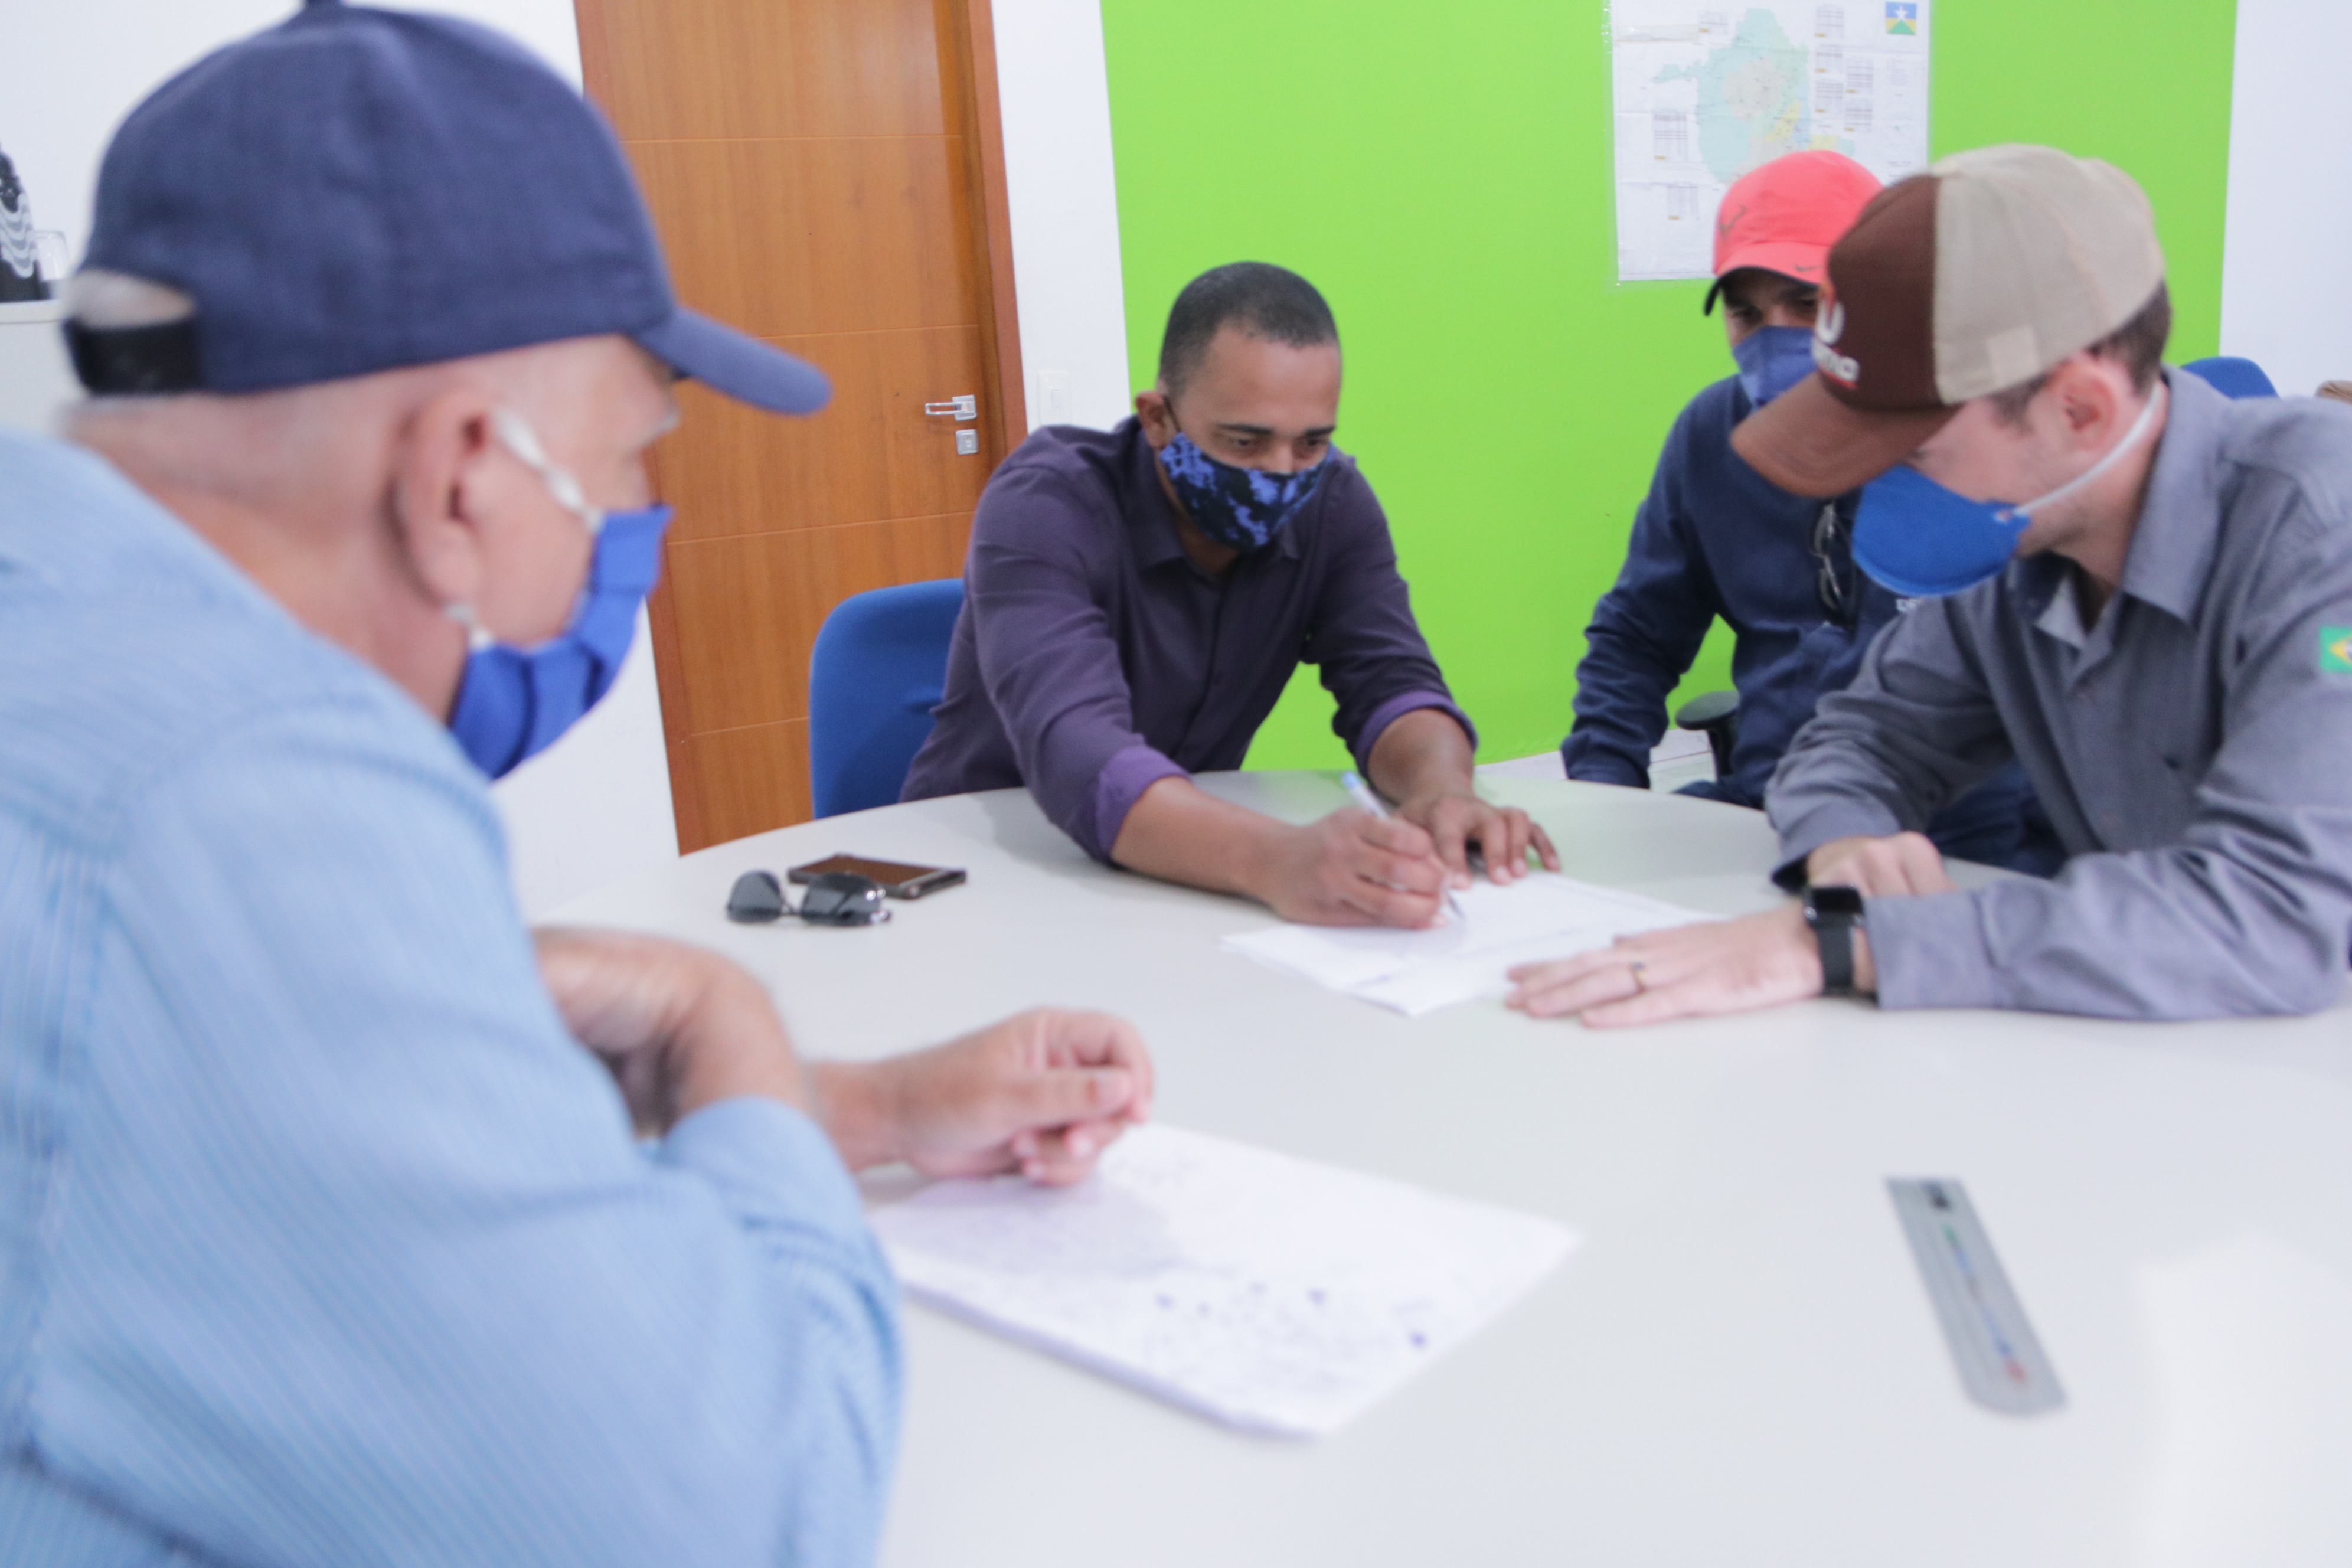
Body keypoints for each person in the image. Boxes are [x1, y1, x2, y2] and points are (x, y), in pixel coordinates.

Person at [0, 6, 1152, 1564]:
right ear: (465, 473)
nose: (630, 531)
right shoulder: (239, 793)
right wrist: (726, 1022)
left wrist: (856, 1107)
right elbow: (736, 1510)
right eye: (626, 467)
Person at [1508, 143, 2352, 1025]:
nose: (1879, 480)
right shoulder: (2020, 545)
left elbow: (2276, 918)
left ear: (2080, 409)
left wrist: (1849, 947)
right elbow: (1860, 739)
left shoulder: (2324, 535)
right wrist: (1847, 843)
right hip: (2154, 1026)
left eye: (1912, 446)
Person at [901, 262, 1558, 927]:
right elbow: (1080, 751)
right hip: (986, 875)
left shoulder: (1333, 502)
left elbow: (1391, 683)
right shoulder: (1045, 505)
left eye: (1312, 442)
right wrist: (1278, 860)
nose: (1280, 473)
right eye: (1245, 442)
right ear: (1158, 418)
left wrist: (1442, 789)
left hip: (1176, 871)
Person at [1562, 150, 2046, 871]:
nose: (1775, 335)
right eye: (1746, 312)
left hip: (1956, 845)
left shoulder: (1965, 450)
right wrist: (1605, 795)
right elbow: (1637, 633)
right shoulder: (1712, 435)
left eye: (1808, 304)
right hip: (1769, 814)